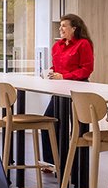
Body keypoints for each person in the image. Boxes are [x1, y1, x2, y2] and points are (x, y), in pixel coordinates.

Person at [41, 13, 96, 172]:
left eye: (64, 26)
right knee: (49, 122)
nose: (61, 28)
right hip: (59, 90)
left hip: (78, 90)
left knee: (77, 130)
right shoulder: (57, 46)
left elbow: (86, 69)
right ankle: (52, 163)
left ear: (74, 28)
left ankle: (75, 168)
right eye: (60, 25)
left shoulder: (83, 44)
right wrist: (49, 73)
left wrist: (64, 76)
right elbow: (56, 68)